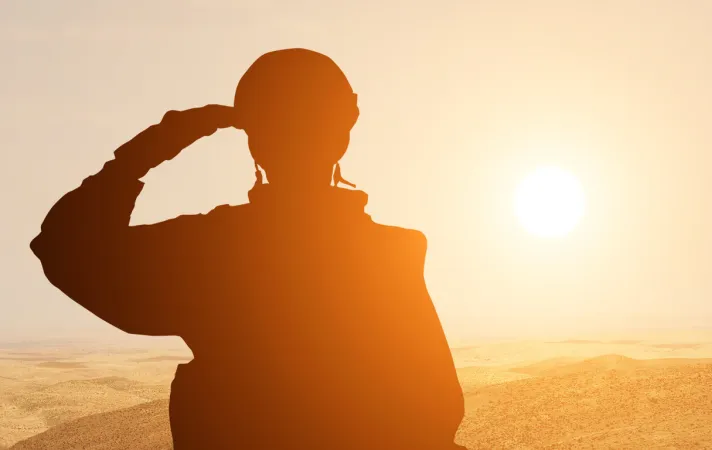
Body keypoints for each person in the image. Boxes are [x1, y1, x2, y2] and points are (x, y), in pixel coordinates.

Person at [30, 48, 466, 449]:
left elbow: (65, 248)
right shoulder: (391, 252)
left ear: (252, 135)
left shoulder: (206, 250)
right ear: (346, 126)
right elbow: (437, 410)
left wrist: (143, 154)